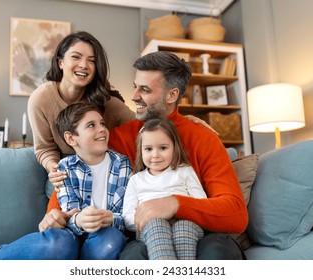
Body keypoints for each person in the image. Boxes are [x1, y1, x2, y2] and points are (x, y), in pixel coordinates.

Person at [47, 51, 248, 260]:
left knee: (216, 253)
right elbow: (80, 169)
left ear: (171, 95)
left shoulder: (203, 138)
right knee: (132, 258)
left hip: (200, 235)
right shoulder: (119, 137)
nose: (134, 96)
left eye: (144, 89)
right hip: (145, 235)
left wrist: (174, 204)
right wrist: (54, 212)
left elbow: (236, 215)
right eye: (135, 86)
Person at [0, 103, 133, 260]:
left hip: (106, 233)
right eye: (91, 125)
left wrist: (110, 219)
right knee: (59, 244)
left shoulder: (122, 163)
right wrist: (80, 220)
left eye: (102, 123)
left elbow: (126, 215)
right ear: (71, 138)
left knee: (111, 241)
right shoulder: (65, 167)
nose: (101, 129)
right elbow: (69, 211)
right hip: (72, 234)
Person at [27, 30, 135, 198]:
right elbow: (44, 148)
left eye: (91, 61)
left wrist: (185, 120)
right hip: (65, 168)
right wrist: (55, 169)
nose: (84, 65)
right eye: (76, 57)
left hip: (103, 168)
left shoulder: (105, 101)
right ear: (60, 62)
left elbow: (143, 124)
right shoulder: (40, 100)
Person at [122, 118, 206, 260]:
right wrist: (152, 217)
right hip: (150, 228)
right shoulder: (136, 180)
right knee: (157, 225)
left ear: (175, 147)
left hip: (186, 224)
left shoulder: (184, 171)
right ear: (140, 151)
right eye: (148, 149)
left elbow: (202, 204)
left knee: (183, 228)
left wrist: (176, 211)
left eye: (163, 148)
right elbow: (128, 217)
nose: (155, 155)